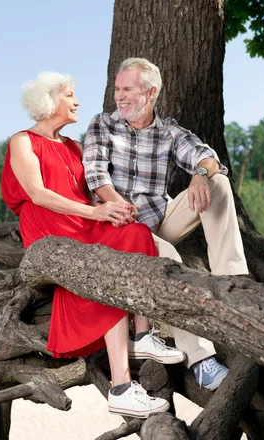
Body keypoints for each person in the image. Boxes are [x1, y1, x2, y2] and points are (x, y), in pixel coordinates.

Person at [1, 71, 186, 418]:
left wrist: (113, 210)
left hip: (83, 224)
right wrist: (95, 212)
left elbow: (90, 189)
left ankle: (141, 335)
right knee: (103, 273)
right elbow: (38, 194)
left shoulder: (73, 146)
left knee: (136, 233)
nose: (77, 102)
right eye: (70, 95)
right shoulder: (22, 141)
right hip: (49, 230)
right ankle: (120, 387)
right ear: (50, 100)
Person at [83, 57, 249, 391]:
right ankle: (201, 359)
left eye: (127, 89)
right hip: (121, 226)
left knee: (218, 184)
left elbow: (205, 155)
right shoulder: (103, 125)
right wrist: (116, 203)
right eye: (117, 89)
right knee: (169, 255)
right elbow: (95, 173)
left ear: (150, 92)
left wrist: (200, 174)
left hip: (159, 218)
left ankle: (233, 281)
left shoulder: (169, 131)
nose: (119, 96)